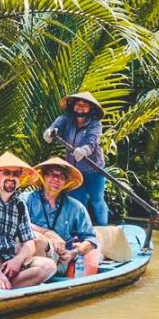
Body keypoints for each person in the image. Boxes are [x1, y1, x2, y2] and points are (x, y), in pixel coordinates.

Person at [0, 152, 57, 288]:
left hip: (8, 262)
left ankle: (4, 286)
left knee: (48, 266)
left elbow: (29, 242)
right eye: (6, 173)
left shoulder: (19, 205)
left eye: (16, 174)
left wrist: (17, 260)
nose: (11, 178)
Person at [25, 157, 103, 278]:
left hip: (60, 259)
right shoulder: (26, 199)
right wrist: (48, 233)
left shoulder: (76, 207)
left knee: (37, 238)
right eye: (51, 174)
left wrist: (74, 252)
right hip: (24, 255)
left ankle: (43, 279)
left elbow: (91, 239)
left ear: (66, 182)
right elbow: (17, 223)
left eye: (61, 176)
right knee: (35, 237)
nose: (56, 179)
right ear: (43, 176)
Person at [43, 91, 109, 225]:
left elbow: (92, 142)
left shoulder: (95, 124)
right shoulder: (65, 119)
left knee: (97, 200)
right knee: (77, 201)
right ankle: (79, 229)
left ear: (90, 108)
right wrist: (49, 133)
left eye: (85, 105)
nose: (81, 107)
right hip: (75, 170)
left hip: (94, 169)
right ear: (73, 106)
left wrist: (84, 150)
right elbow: (53, 129)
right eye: (78, 104)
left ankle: (103, 227)